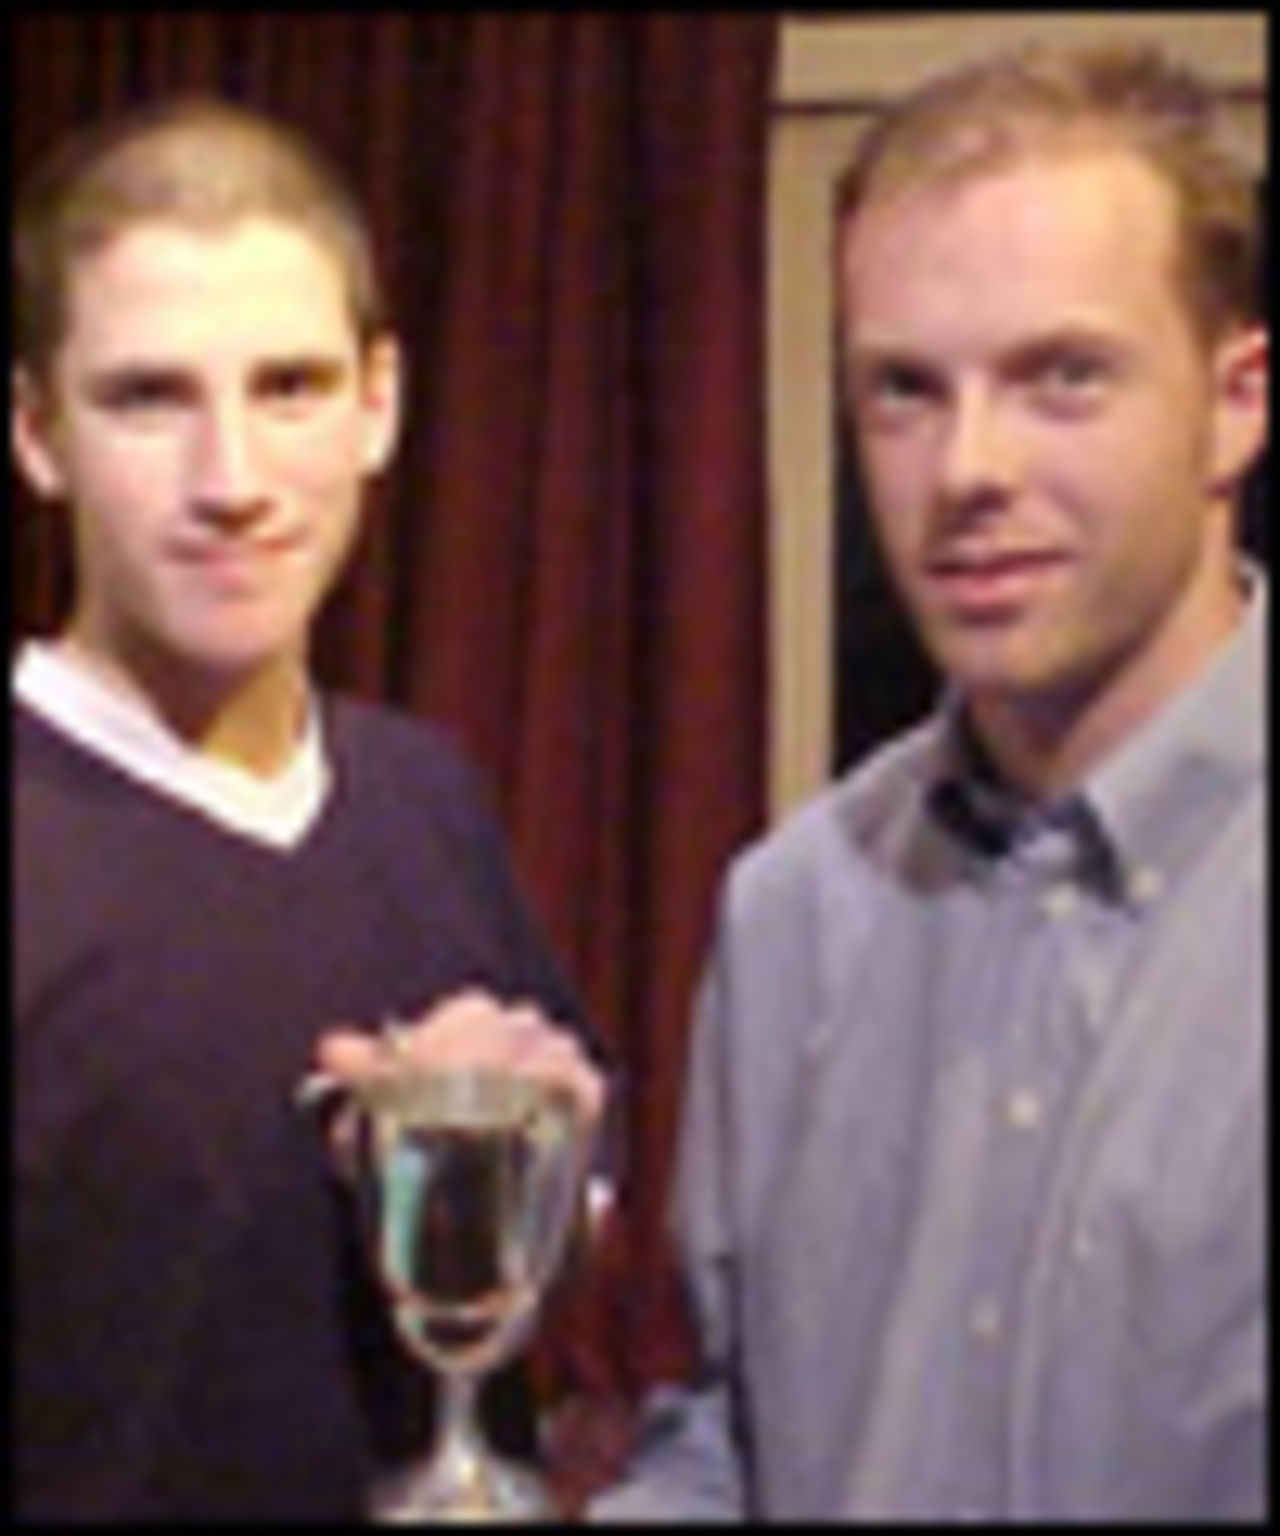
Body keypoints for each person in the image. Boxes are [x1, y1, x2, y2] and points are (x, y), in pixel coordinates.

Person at [590, 43, 1268, 1522]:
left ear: (1237, 403)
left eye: (1061, 377)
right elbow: (721, 1438)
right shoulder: (788, 918)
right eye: (905, 391)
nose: (967, 466)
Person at [12, 97, 607, 1521]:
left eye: (290, 387)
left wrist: (528, 1152)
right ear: (37, 434)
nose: (233, 482)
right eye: (149, 398)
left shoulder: (426, 794)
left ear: (378, 405)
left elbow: (538, 1282)